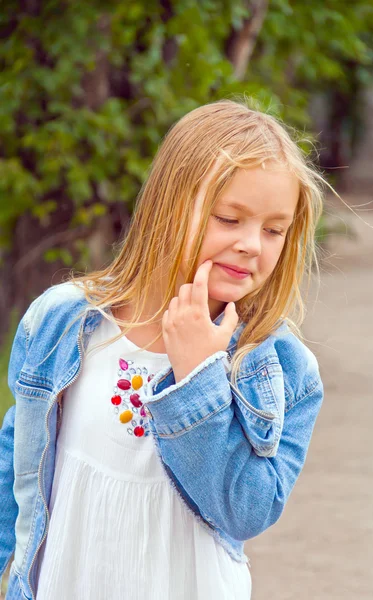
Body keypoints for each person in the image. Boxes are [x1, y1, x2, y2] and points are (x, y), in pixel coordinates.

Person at [0, 98, 326, 600]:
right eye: (229, 218)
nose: (252, 245)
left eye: (274, 230)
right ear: (169, 206)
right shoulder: (64, 322)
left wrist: (198, 376)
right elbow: (16, 460)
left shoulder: (283, 369)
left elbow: (247, 510)